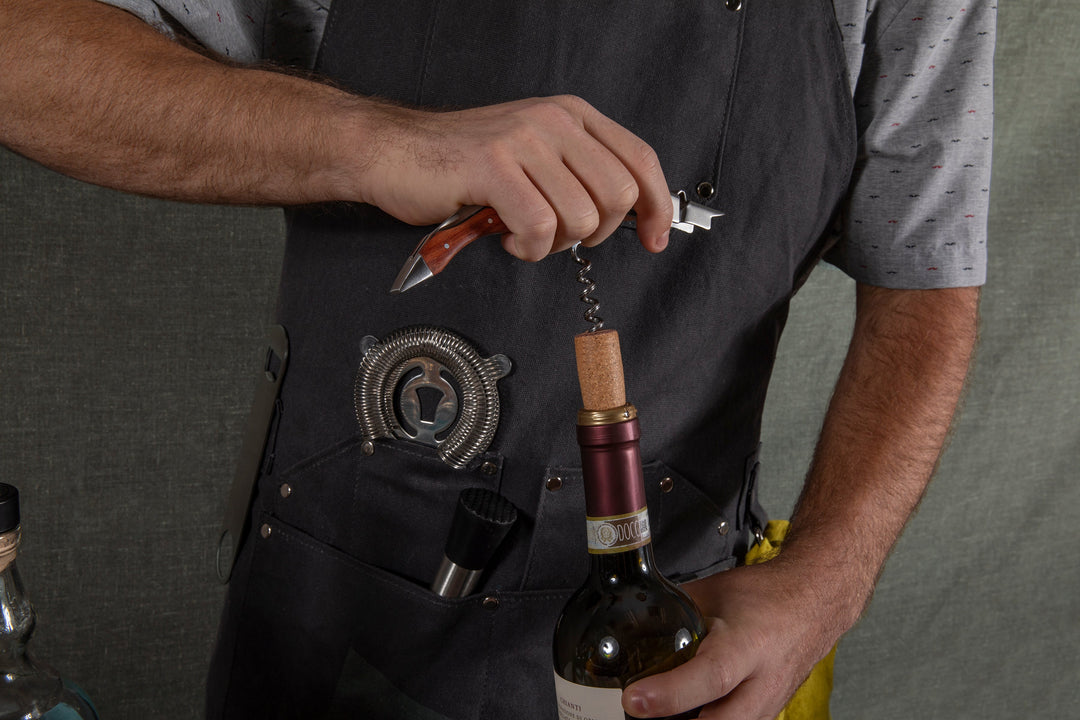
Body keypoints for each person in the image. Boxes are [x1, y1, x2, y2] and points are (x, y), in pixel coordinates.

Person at [0, 1, 994, 718]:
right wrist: (375, 142)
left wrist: (826, 584)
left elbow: (927, 281)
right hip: (342, 606)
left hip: (680, 634)